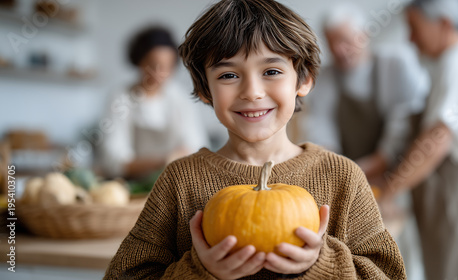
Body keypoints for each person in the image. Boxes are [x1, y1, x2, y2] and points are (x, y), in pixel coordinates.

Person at [104, 0, 406, 279]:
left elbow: (388, 273)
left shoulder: (344, 178)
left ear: (304, 80)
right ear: (204, 90)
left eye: (271, 71)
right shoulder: (179, 181)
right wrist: (199, 270)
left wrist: (323, 263)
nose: (252, 92)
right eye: (228, 76)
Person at [380, 0, 458, 279]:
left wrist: (389, 191)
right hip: (449, 190)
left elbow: (435, 141)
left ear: (444, 24)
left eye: (414, 28)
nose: (410, 39)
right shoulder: (450, 63)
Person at [304, 2, 429, 183]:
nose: (339, 50)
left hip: (396, 172)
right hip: (347, 174)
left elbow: (401, 124)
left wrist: (378, 162)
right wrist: (337, 168)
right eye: (332, 43)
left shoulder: (395, 64)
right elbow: (322, 129)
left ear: (364, 35)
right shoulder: (325, 79)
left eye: (345, 40)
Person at [99, 26, 208, 179]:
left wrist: (181, 156)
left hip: (173, 181)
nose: (159, 74)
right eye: (152, 65)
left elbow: (197, 145)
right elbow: (113, 159)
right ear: (139, 61)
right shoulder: (121, 98)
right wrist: (160, 162)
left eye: (166, 67)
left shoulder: (180, 98)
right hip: (130, 184)